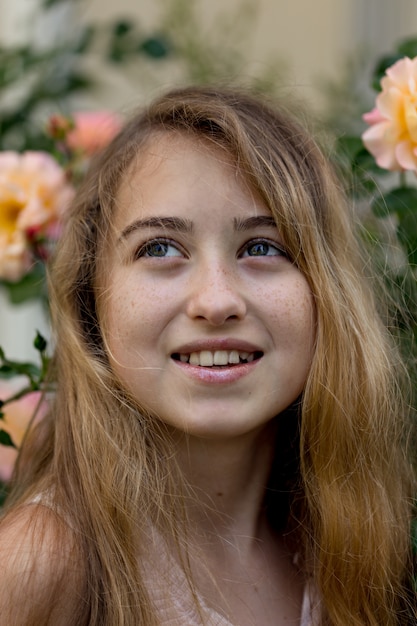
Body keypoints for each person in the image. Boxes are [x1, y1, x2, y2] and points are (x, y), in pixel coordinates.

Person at [0, 85, 415, 625]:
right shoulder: (42, 565)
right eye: (160, 248)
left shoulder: (353, 552)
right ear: (91, 300)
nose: (216, 301)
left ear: (326, 295)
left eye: (262, 247)